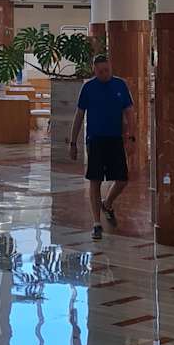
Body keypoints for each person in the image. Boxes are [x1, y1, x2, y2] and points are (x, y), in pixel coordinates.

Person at [69, 52, 135, 241]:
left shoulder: (120, 85)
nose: (104, 74)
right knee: (95, 180)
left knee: (122, 179)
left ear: (111, 68)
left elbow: (129, 112)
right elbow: (79, 115)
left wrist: (131, 138)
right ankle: (96, 223)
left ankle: (107, 203)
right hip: (95, 140)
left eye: (107, 70)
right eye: (100, 71)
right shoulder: (88, 88)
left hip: (115, 139)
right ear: (94, 71)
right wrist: (73, 142)